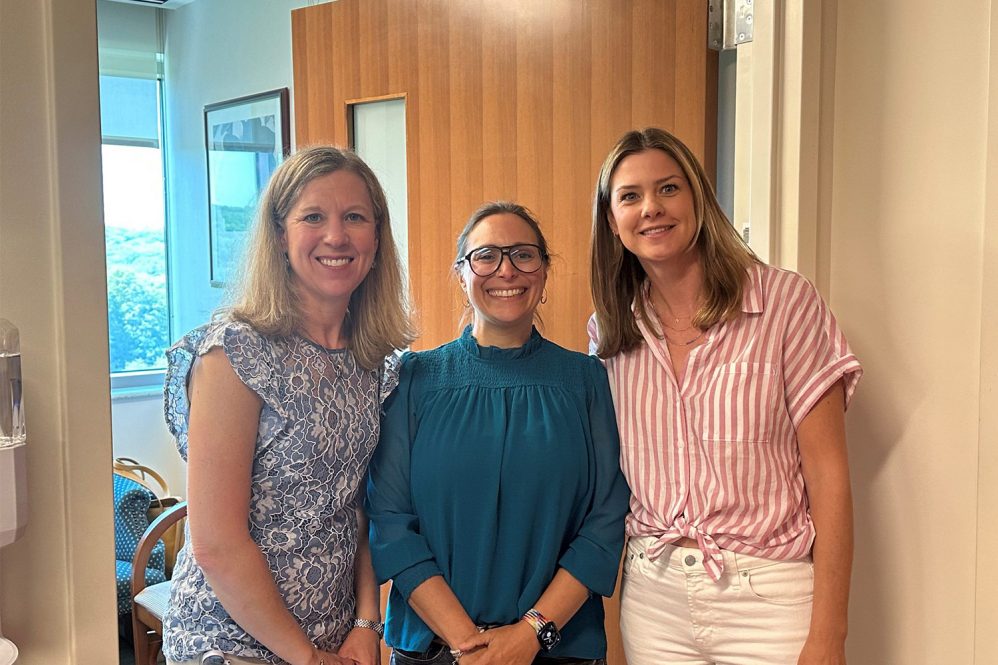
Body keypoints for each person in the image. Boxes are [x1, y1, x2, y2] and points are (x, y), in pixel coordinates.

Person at [588, 128, 862, 665]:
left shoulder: (785, 303)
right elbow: (608, 482)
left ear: (698, 199)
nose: (651, 209)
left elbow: (829, 477)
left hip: (770, 599)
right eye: (629, 196)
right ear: (611, 222)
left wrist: (829, 633)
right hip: (653, 597)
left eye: (668, 188)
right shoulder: (609, 331)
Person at [162, 146, 415, 665]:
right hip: (229, 640)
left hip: (338, 637)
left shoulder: (373, 363)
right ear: (280, 234)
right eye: (313, 217)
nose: (337, 236)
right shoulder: (235, 354)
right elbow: (216, 542)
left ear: (376, 236)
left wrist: (368, 623)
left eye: (355, 217)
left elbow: (359, 512)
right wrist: (304, 656)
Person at [366, 201, 630, 665]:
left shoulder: (587, 381)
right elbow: (389, 521)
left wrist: (528, 635)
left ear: (544, 273)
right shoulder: (413, 379)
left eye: (523, 255)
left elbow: (605, 520)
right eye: (486, 256)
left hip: (556, 648)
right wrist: (467, 641)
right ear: (462, 276)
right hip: (433, 650)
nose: (505, 270)